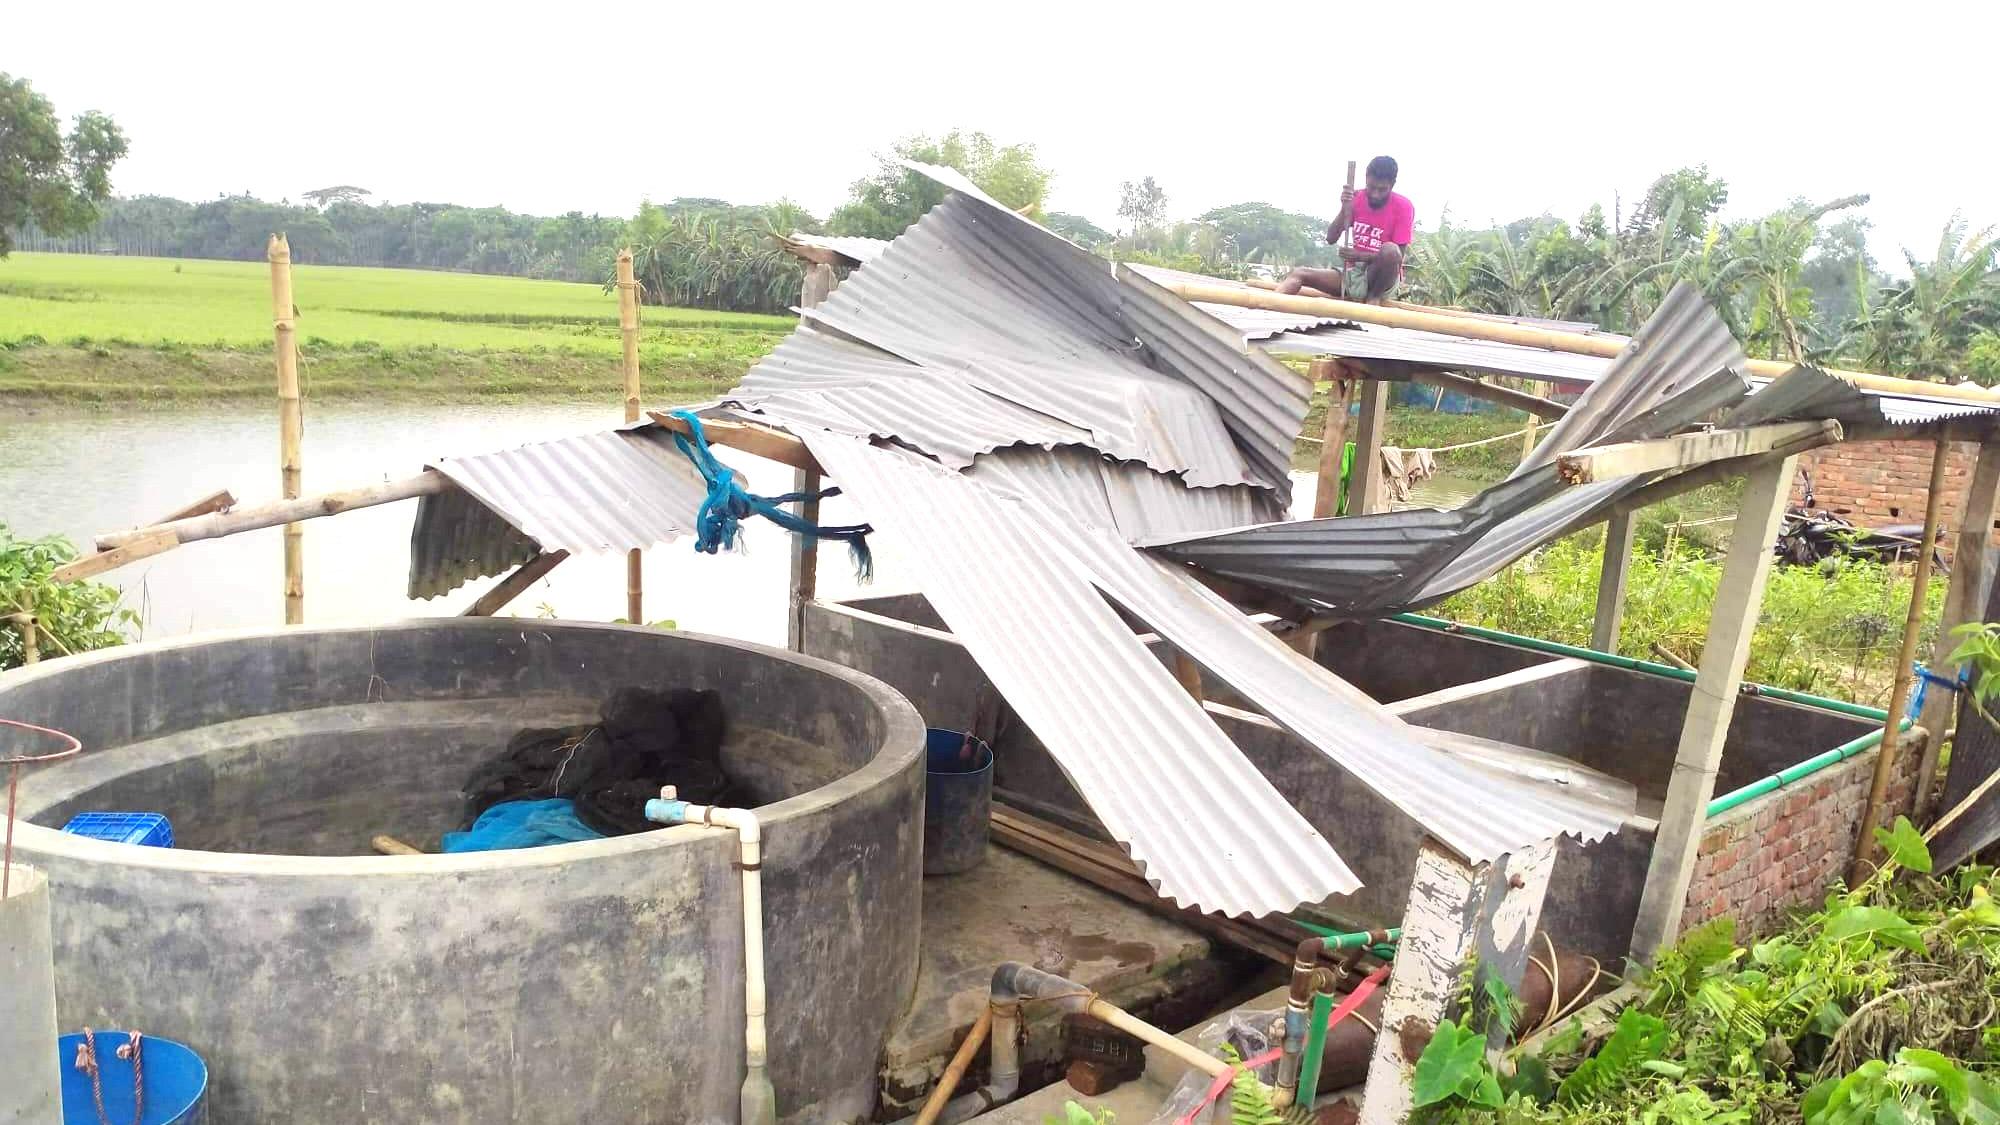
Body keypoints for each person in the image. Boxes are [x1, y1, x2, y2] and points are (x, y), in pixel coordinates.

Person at [1276, 155, 1414, 304]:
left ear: (1392, 184)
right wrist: (1345, 208)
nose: (1375, 194)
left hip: (1380, 279)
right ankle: (1268, 306)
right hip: (1352, 275)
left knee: (1390, 250)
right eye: (1371, 187)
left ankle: (1373, 300)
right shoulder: (1356, 198)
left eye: (1382, 190)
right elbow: (1331, 238)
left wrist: (1360, 256)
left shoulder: (1403, 206)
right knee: (1299, 273)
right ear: (1366, 178)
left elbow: (1396, 257)